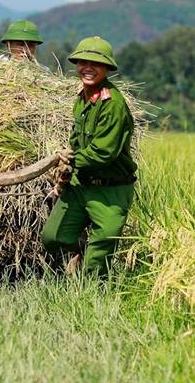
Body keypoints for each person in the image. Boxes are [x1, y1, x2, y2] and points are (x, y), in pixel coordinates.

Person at [41, 36, 137, 278]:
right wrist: (64, 176)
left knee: (100, 254)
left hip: (110, 190)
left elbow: (103, 152)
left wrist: (68, 161)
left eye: (95, 63)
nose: (88, 68)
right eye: (83, 62)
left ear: (106, 68)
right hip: (80, 184)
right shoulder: (83, 98)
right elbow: (77, 141)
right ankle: (82, 251)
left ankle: (91, 295)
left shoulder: (112, 104)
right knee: (53, 237)